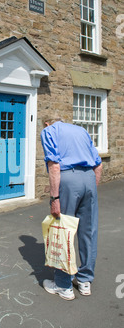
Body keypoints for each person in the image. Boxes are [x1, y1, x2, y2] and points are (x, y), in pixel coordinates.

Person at [40, 118, 102, 300]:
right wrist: (91, 188)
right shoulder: (81, 131)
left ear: (46, 123)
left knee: (63, 231)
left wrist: (54, 198)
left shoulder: (49, 131)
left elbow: (54, 165)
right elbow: (98, 164)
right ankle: (84, 281)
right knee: (88, 231)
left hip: (68, 180)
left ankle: (63, 285)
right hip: (89, 178)